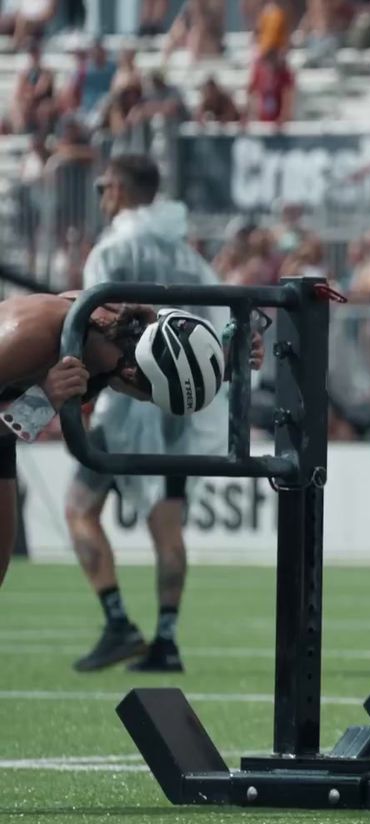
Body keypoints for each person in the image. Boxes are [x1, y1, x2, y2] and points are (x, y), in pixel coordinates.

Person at [66, 154, 235, 674]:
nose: (100, 196)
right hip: (184, 407)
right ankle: (166, 639)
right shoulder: (187, 255)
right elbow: (220, 323)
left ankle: (118, 621)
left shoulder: (113, 249)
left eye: (101, 186)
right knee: (168, 526)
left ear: (116, 187)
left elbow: (91, 323)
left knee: (78, 508)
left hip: (128, 400)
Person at [0, 297, 246, 593]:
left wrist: (228, 359)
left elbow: (181, 355)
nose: (142, 402)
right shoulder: (33, 337)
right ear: (130, 375)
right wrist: (42, 401)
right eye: (148, 398)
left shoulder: (124, 330)